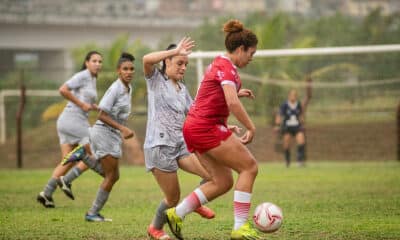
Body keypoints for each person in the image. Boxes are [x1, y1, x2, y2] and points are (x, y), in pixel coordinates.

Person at [165, 19, 260, 240]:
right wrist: (251, 127)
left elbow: (218, 94)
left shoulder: (220, 63)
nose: (251, 58)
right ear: (240, 49)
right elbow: (232, 104)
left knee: (223, 182)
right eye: (251, 53)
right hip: (205, 127)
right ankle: (240, 228)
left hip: (195, 127)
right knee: (250, 168)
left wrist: (238, 92)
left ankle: (177, 213)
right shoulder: (226, 67)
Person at [142, 38, 216, 240]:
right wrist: (174, 51)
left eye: (186, 64)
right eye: (179, 63)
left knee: (212, 175)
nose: (183, 68)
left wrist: (231, 99)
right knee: (172, 198)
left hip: (179, 145)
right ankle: (155, 229)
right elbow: (146, 60)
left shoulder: (182, 90)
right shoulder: (156, 80)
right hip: (159, 147)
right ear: (167, 62)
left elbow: (198, 113)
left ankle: (194, 202)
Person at [63, 52, 136, 221]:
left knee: (112, 175)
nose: (129, 72)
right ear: (118, 70)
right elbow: (101, 115)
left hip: (111, 134)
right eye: (125, 68)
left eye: (132, 69)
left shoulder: (128, 88)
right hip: (104, 132)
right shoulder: (116, 88)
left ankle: (83, 157)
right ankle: (92, 213)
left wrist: (120, 129)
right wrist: (123, 129)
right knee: (111, 176)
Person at [37, 51, 102, 208]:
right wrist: (81, 105)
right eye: (94, 61)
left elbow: (85, 101)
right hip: (74, 120)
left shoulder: (92, 79)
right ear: (86, 63)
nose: (98, 64)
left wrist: (95, 108)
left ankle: (46, 193)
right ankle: (67, 180)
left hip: (66, 121)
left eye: (100, 61)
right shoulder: (83, 75)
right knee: (94, 152)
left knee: (68, 161)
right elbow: (63, 89)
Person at [275, 78, 312, 168]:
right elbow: (279, 115)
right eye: (292, 95)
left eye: (295, 95)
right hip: (287, 127)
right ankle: (287, 162)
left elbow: (300, 116)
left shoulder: (298, 104)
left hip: (297, 127)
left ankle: (300, 161)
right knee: (286, 144)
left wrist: (302, 123)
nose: (293, 96)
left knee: (301, 141)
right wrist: (277, 125)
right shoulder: (285, 105)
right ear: (289, 96)